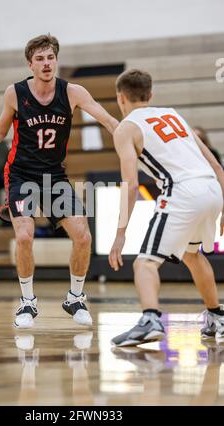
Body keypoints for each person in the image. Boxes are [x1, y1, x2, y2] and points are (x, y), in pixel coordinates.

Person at [0, 34, 119, 329]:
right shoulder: (14, 93)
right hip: (20, 174)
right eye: (39, 58)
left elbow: (107, 119)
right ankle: (27, 302)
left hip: (54, 177)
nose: (46, 63)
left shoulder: (73, 92)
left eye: (50, 57)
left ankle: (75, 297)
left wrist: (125, 132)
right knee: (24, 235)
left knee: (83, 236)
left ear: (56, 60)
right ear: (30, 64)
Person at [108, 69, 224, 346]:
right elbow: (217, 166)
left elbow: (131, 185)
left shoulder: (125, 128)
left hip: (182, 191)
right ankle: (216, 316)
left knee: (145, 263)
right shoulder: (174, 115)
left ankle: (150, 319)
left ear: (120, 97)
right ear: (151, 95)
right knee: (192, 255)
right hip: (211, 188)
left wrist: (120, 233)